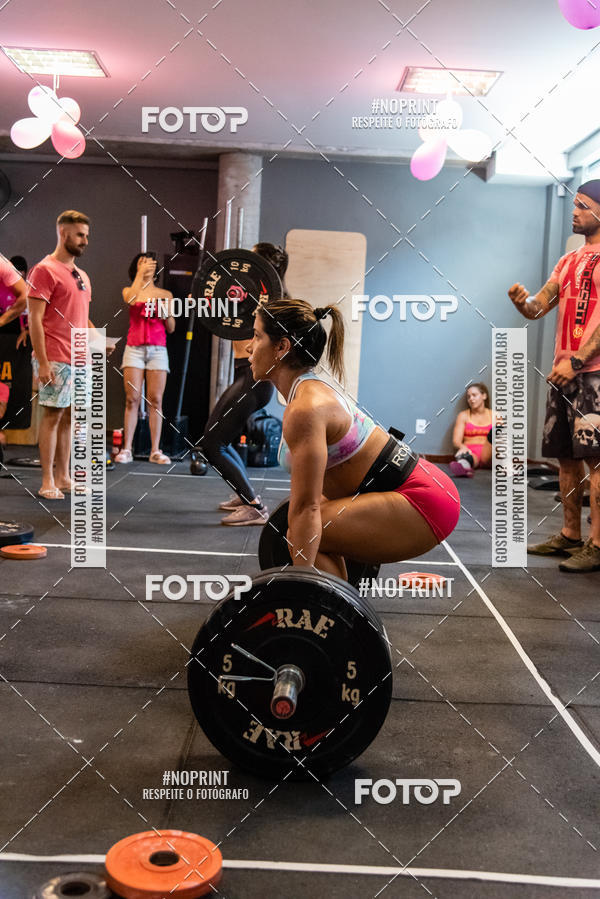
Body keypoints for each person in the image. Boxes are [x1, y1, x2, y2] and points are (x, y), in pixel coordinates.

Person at [248, 299, 461, 577]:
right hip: (414, 489)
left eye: (256, 335)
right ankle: (339, 608)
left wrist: (300, 587)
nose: (249, 347)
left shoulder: (306, 408)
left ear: (282, 347)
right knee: (309, 526)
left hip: (423, 500)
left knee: (304, 529)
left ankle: (333, 613)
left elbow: (306, 510)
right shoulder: (309, 392)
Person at [509, 179, 600, 572]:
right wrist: (522, 302)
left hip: (593, 375)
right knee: (566, 457)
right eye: (575, 204)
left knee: (596, 460)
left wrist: (577, 361)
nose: (574, 211)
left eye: (582, 205)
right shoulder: (567, 262)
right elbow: (538, 308)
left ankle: (597, 544)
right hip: (564, 374)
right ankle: (569, 535)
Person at [203, 243, 290, 526]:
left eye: (252, 260)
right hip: (245, 374)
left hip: (254, 381)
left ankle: (254, 506)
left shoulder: (269, 307)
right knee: (220, 439)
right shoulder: (251, 301)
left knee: (212, 442)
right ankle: (244, 496)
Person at [28, 210, 95, 500]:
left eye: (87, 236)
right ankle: (46, 482)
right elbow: (34, 319)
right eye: (80, 235)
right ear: (64, 233)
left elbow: (82, 317)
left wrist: (99, 340)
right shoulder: (44, 270)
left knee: (71, 417)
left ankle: (63, 476)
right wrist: (42, 362)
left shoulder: (81, 275)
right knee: (53, 416)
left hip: (80, 358)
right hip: (55, 357)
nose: (85, 241)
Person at [115, 254, 175, 465]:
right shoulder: (130, 291)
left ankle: (155, 450)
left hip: (158, 349)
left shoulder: (164, 294)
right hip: (134, 349)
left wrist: (165, 312)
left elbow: (171, 327)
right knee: (132, 398)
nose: (147, 266)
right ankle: (127, 448)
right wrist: (140, 275)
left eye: (150, 263)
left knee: (156, 400)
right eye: (142, 262)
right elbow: (130, 298)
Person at [449, 383, 494, 477]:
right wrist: (463, 448)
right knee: (466, 457)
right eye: (468, 397)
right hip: (471, 452)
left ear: (484, 396)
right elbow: (456, 441)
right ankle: (463, 467)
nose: (471, 399)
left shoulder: (495, 415)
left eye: (474, 395)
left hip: (489, 453)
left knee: (498, 432)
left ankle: (507, 466)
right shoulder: (463, 415)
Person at [0, 253, 28, 338]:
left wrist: (25, 331)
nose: (19, 273)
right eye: (17, 270)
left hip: (13, 331)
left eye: (20, 270)